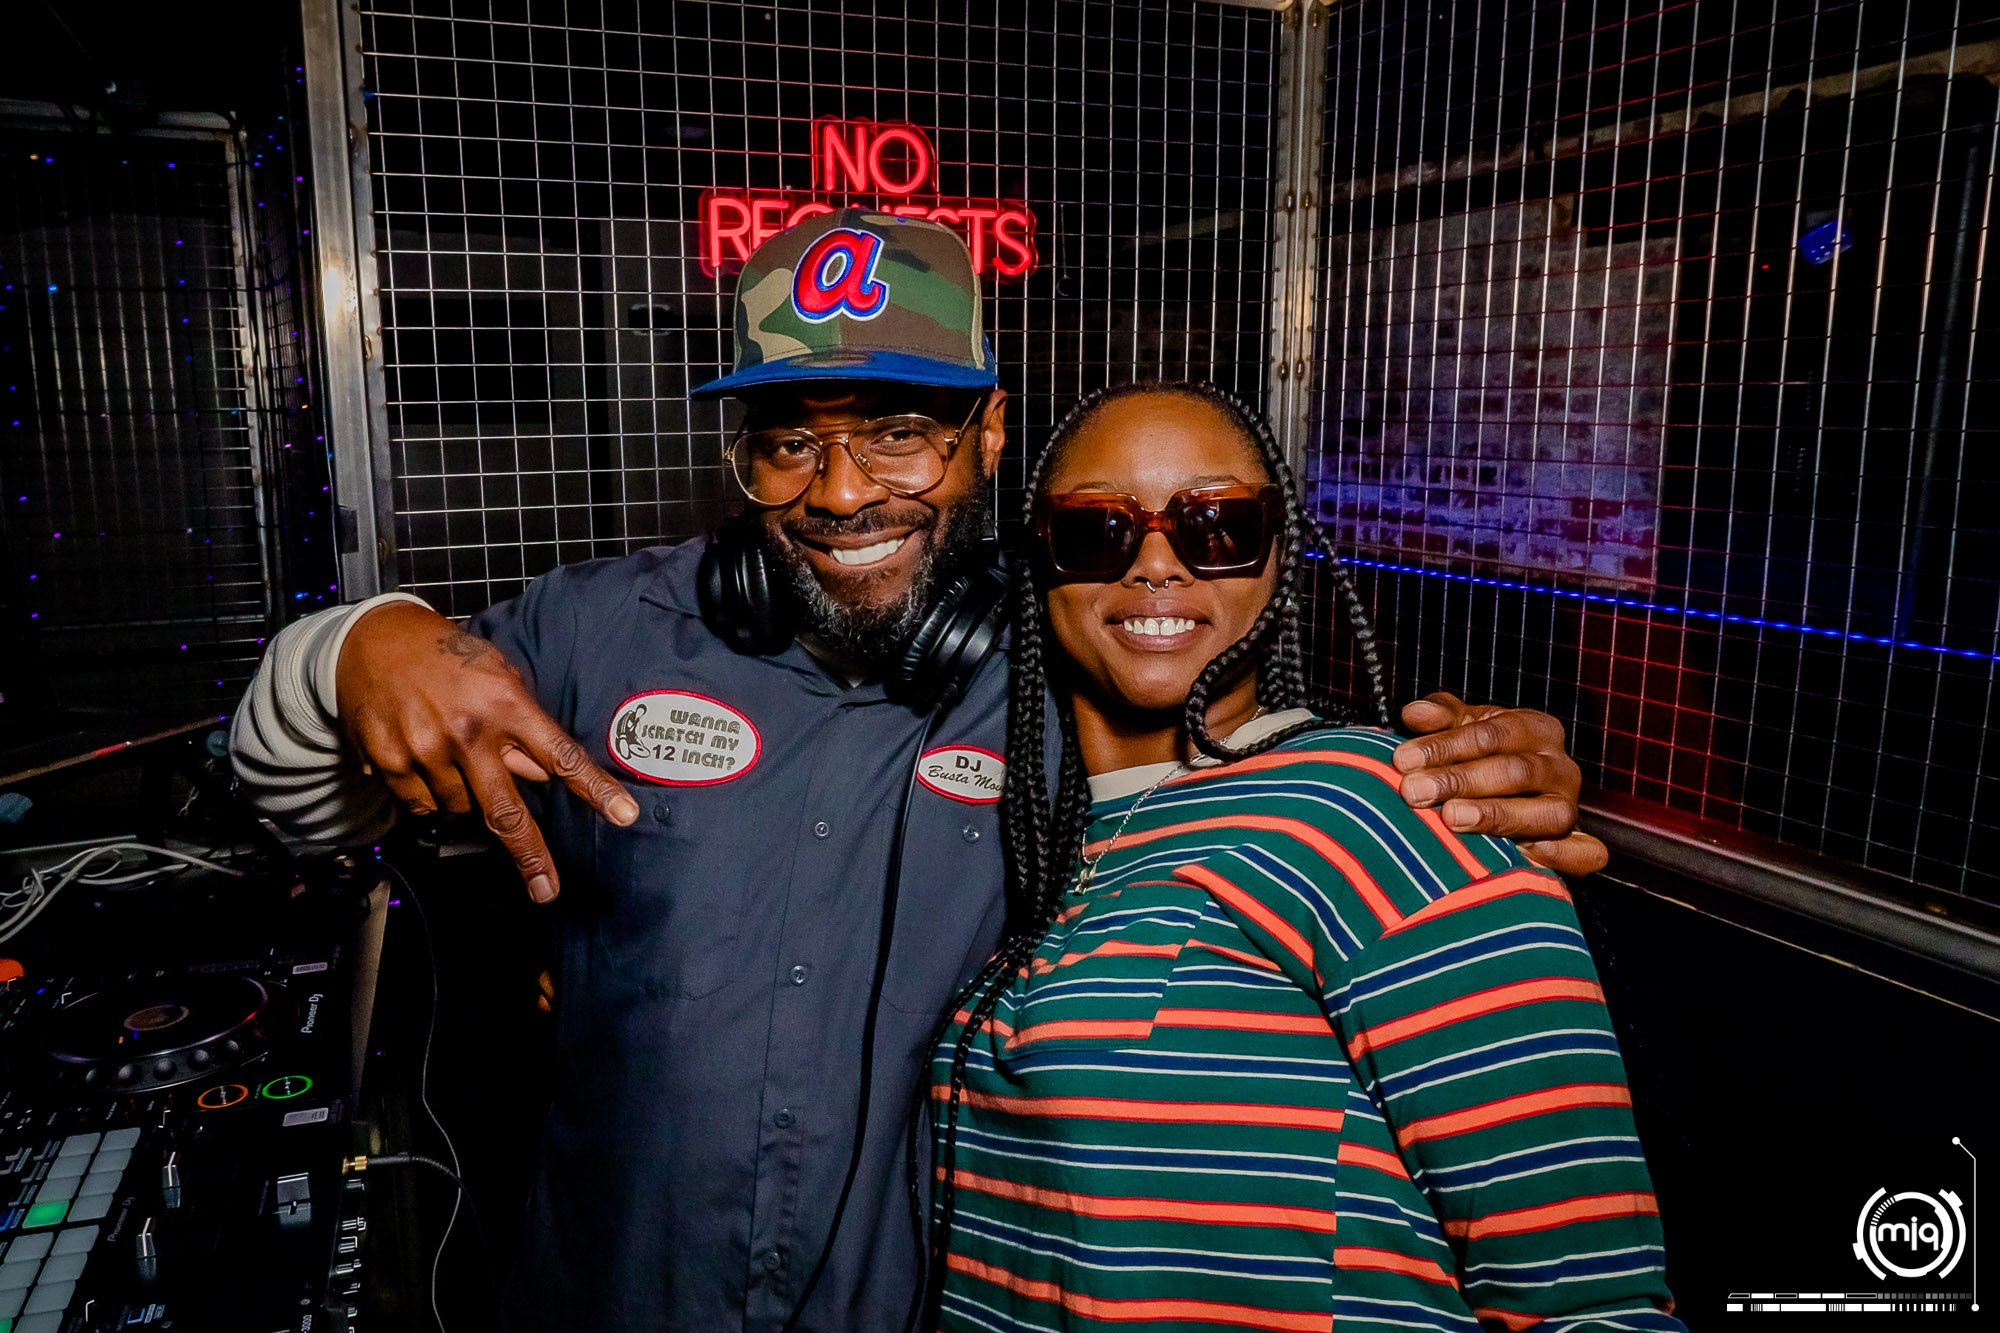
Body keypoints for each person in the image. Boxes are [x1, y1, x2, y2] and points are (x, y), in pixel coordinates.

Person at [231, 210, 1611, 1330]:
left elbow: (1245, 745)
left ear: (986, 437)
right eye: (790, 439)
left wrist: (1463, 771)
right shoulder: (596, 628)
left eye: (898, 430)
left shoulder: (1064, 656)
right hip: (604, 1296)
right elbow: (295, 812)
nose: (841, 492)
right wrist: (353, 649)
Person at [925, 380, 1683, 1333]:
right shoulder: (1029, 828)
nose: (1156, 563)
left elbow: (1588, 1294)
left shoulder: (1377, 807)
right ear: (1040, 558)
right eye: (1096, 530)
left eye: (1217, 526)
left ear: (1278, 554)